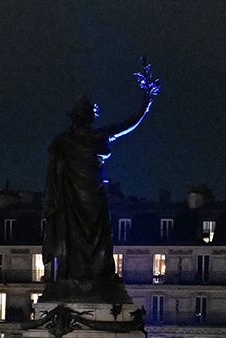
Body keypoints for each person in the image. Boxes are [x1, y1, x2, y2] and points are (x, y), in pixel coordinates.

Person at [43, 63, 157, 286]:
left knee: (75, 234)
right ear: (89, 118)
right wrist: (146, 103)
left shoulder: (62, 142)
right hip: (92, 193)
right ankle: (96, 275)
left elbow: (53, 176)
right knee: (99, 234)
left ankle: (74, 274)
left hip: (71, 198)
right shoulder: (94, 137)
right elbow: (127, 125)